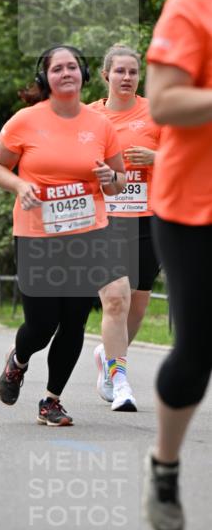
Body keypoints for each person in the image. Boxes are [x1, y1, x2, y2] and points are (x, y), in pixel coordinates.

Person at [0, 46, 125, 426]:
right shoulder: (25, 121)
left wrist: (111, 180)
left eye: (72, 67)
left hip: (87, 235)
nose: (66, 73)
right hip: (36, 234)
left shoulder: (100, 125)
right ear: (45, 78)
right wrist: (18, 185)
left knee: (75, 320)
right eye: (57, 68)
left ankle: (52, 400)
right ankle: (18, 360)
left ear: (82, 74)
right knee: (43, 322)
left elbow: (119, 180)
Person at [143, 0, 212, 530]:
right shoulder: (194, 4)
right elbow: (164, 103)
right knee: (197, 351)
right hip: (196, 207)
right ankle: (165, 466)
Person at [88, 45, 162, 411]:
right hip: (104, 220)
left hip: (148, 219)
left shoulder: (156, 114)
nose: (127, 78)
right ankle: (120, 380)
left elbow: (190, 160)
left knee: (137, 305)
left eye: (133, 72)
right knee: (115, 300)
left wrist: (156, 158)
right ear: (106, 76)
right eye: (120, 71)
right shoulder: (87, 118)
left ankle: (108, 354)